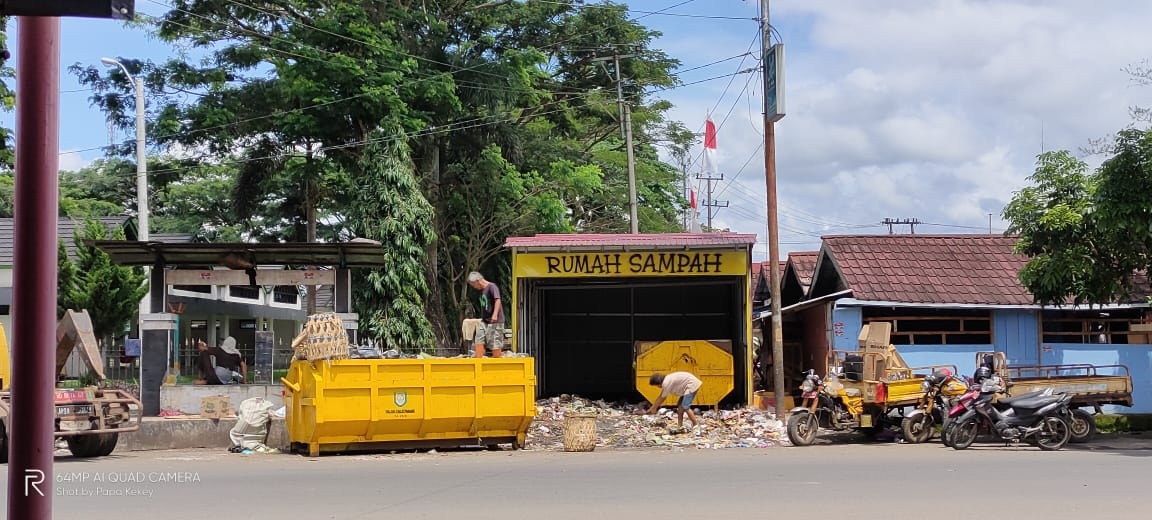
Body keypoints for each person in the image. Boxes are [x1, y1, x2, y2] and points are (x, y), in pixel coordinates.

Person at [467, 271, 504, 358]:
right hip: (484, 321)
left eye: (473, 285)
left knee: (495, 343)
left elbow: (497, 300)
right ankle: (478, 361)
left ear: (478, 281)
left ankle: (496, 362)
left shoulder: (492, 287)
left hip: (496, 321)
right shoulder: (481, 291)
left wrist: (494, 315)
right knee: (478, 339)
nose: (474, 287)